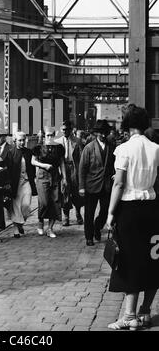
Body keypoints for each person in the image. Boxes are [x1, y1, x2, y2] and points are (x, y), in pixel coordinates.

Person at [106, 106, 159, 331]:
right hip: (152, 208)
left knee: (129, 260)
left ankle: (129, 317)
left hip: (129, 209)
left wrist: (110, 212)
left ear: (128, 125)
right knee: (152, 258)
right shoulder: (156, 148)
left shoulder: (124, 148)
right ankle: (145, 312)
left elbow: (118, 183)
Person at [78, 119, 115, 246]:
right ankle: (89, 237)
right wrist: (81, 187)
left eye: (105, 133)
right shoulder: (89, 148)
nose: (103, 135)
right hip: (91, 185)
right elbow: (82, 168)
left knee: (105, 211)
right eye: (101, 133)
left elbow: (114, 165)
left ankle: (97, 227)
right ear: (96, 133)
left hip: (106, 186)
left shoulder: (112, 147)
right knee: (89, 212)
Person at [32, 127, 67, 238]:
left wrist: (65, 178)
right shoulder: (38, 148)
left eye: (52, 135)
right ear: (44, 136)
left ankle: (50, 228)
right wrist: (44, 165)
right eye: (47, 135)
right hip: (42, 175)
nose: (49, 137)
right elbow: (33, 161)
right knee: (44, 201)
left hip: (55, 176)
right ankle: (40, 222)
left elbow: (62, 162)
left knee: (56, 201)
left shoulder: (59, 148)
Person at [6, 131, 37, 238]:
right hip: (15, 182)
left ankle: (21, 222)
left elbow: (32, 167)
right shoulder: (10, 152)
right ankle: (16, 229)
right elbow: (6, 168)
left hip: (27, 181)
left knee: (26, 206)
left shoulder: (28, 152)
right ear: (15, 140)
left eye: (23, 140)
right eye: (19, 140)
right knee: (16, 206)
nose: (22, 142)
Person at [55, 120, 84, 226]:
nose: (65, 131)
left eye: (67, 129)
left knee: (76, 193)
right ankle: (66, 216)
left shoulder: (77, 141)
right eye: (63, 129)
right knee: (64, 192)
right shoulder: (57, 142)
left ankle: (78, 213)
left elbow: (81, 157)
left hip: (74, 168)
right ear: (60, 130)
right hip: (62, 169)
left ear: (71, 130)